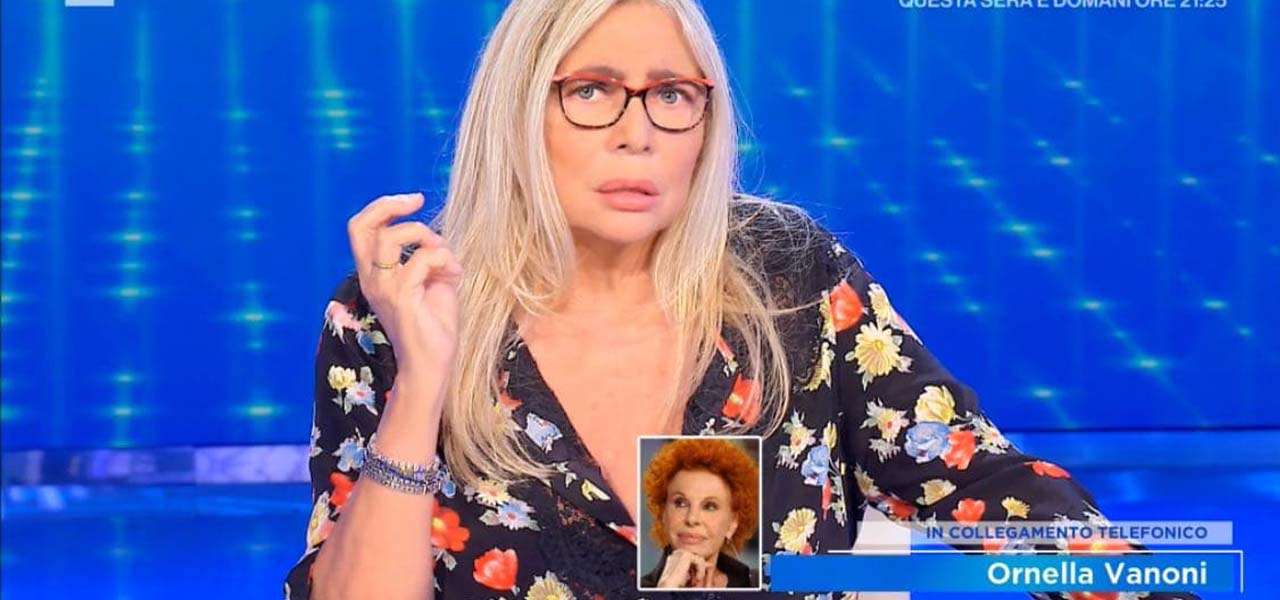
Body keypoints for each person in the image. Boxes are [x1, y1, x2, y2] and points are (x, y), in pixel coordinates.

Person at [285, 0, 1203, 598]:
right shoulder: (396, 308)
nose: (638, 133)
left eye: (672, 95)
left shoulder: (789, 280)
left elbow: (974, 484)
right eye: (592, 92)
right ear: (518, 109)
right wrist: (424, 386)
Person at [639, 438, 760, 589]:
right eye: (680, 503)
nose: (692, 519)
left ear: (732, 523)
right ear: (663, 513)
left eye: (709, 506)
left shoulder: (762, 580)